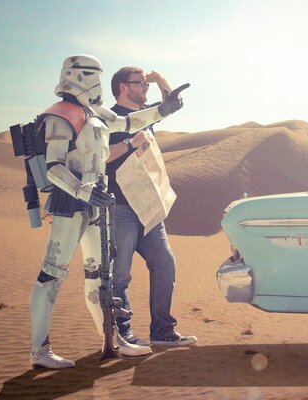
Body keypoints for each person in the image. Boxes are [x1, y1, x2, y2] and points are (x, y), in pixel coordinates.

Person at [29, 55, 187, 369]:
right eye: (89, 75)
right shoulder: (59, 116)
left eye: (97, 74)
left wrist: (164, 109)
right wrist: (84, 190)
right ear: (73, 75)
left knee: (100, 277)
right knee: (52, 274)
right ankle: (39, 351)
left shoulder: (97, 114)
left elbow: (131, 122)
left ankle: (115, 339)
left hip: (98, 205)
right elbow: (54, 169)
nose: (95, 81)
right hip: (70, 204)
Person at [106, 67, 197, 346]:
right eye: (140, 84)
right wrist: (131, 143)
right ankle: (122, 335)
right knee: (120, 276)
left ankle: (162, 331)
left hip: (148, 208)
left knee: (165, 264)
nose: (145, 89)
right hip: (119, 208)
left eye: (146, 84)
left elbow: (173, 104)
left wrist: (160, 81)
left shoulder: (146, 117)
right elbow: (100, 156)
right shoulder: (108, 118)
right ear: (123, 87)